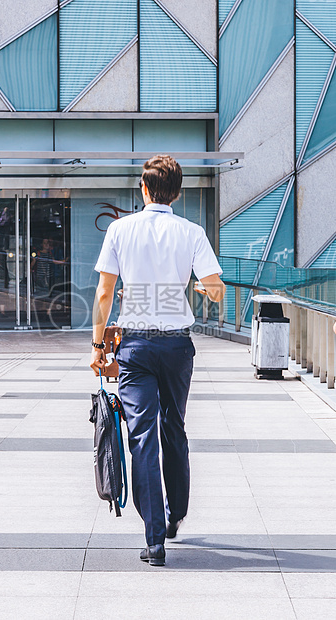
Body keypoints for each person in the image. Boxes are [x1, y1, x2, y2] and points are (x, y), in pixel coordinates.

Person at [90, 154, 225, 566]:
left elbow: (104, 294)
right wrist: (203, 291)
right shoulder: (192, 232)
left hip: (134, 349)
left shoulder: (119, 229)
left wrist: (99, 348)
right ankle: (175, 514)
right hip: (177, 347)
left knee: (142, 437)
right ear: (178, 193)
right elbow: (216, 289)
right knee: (174, 429)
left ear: (144, 189)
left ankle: (153, 540)